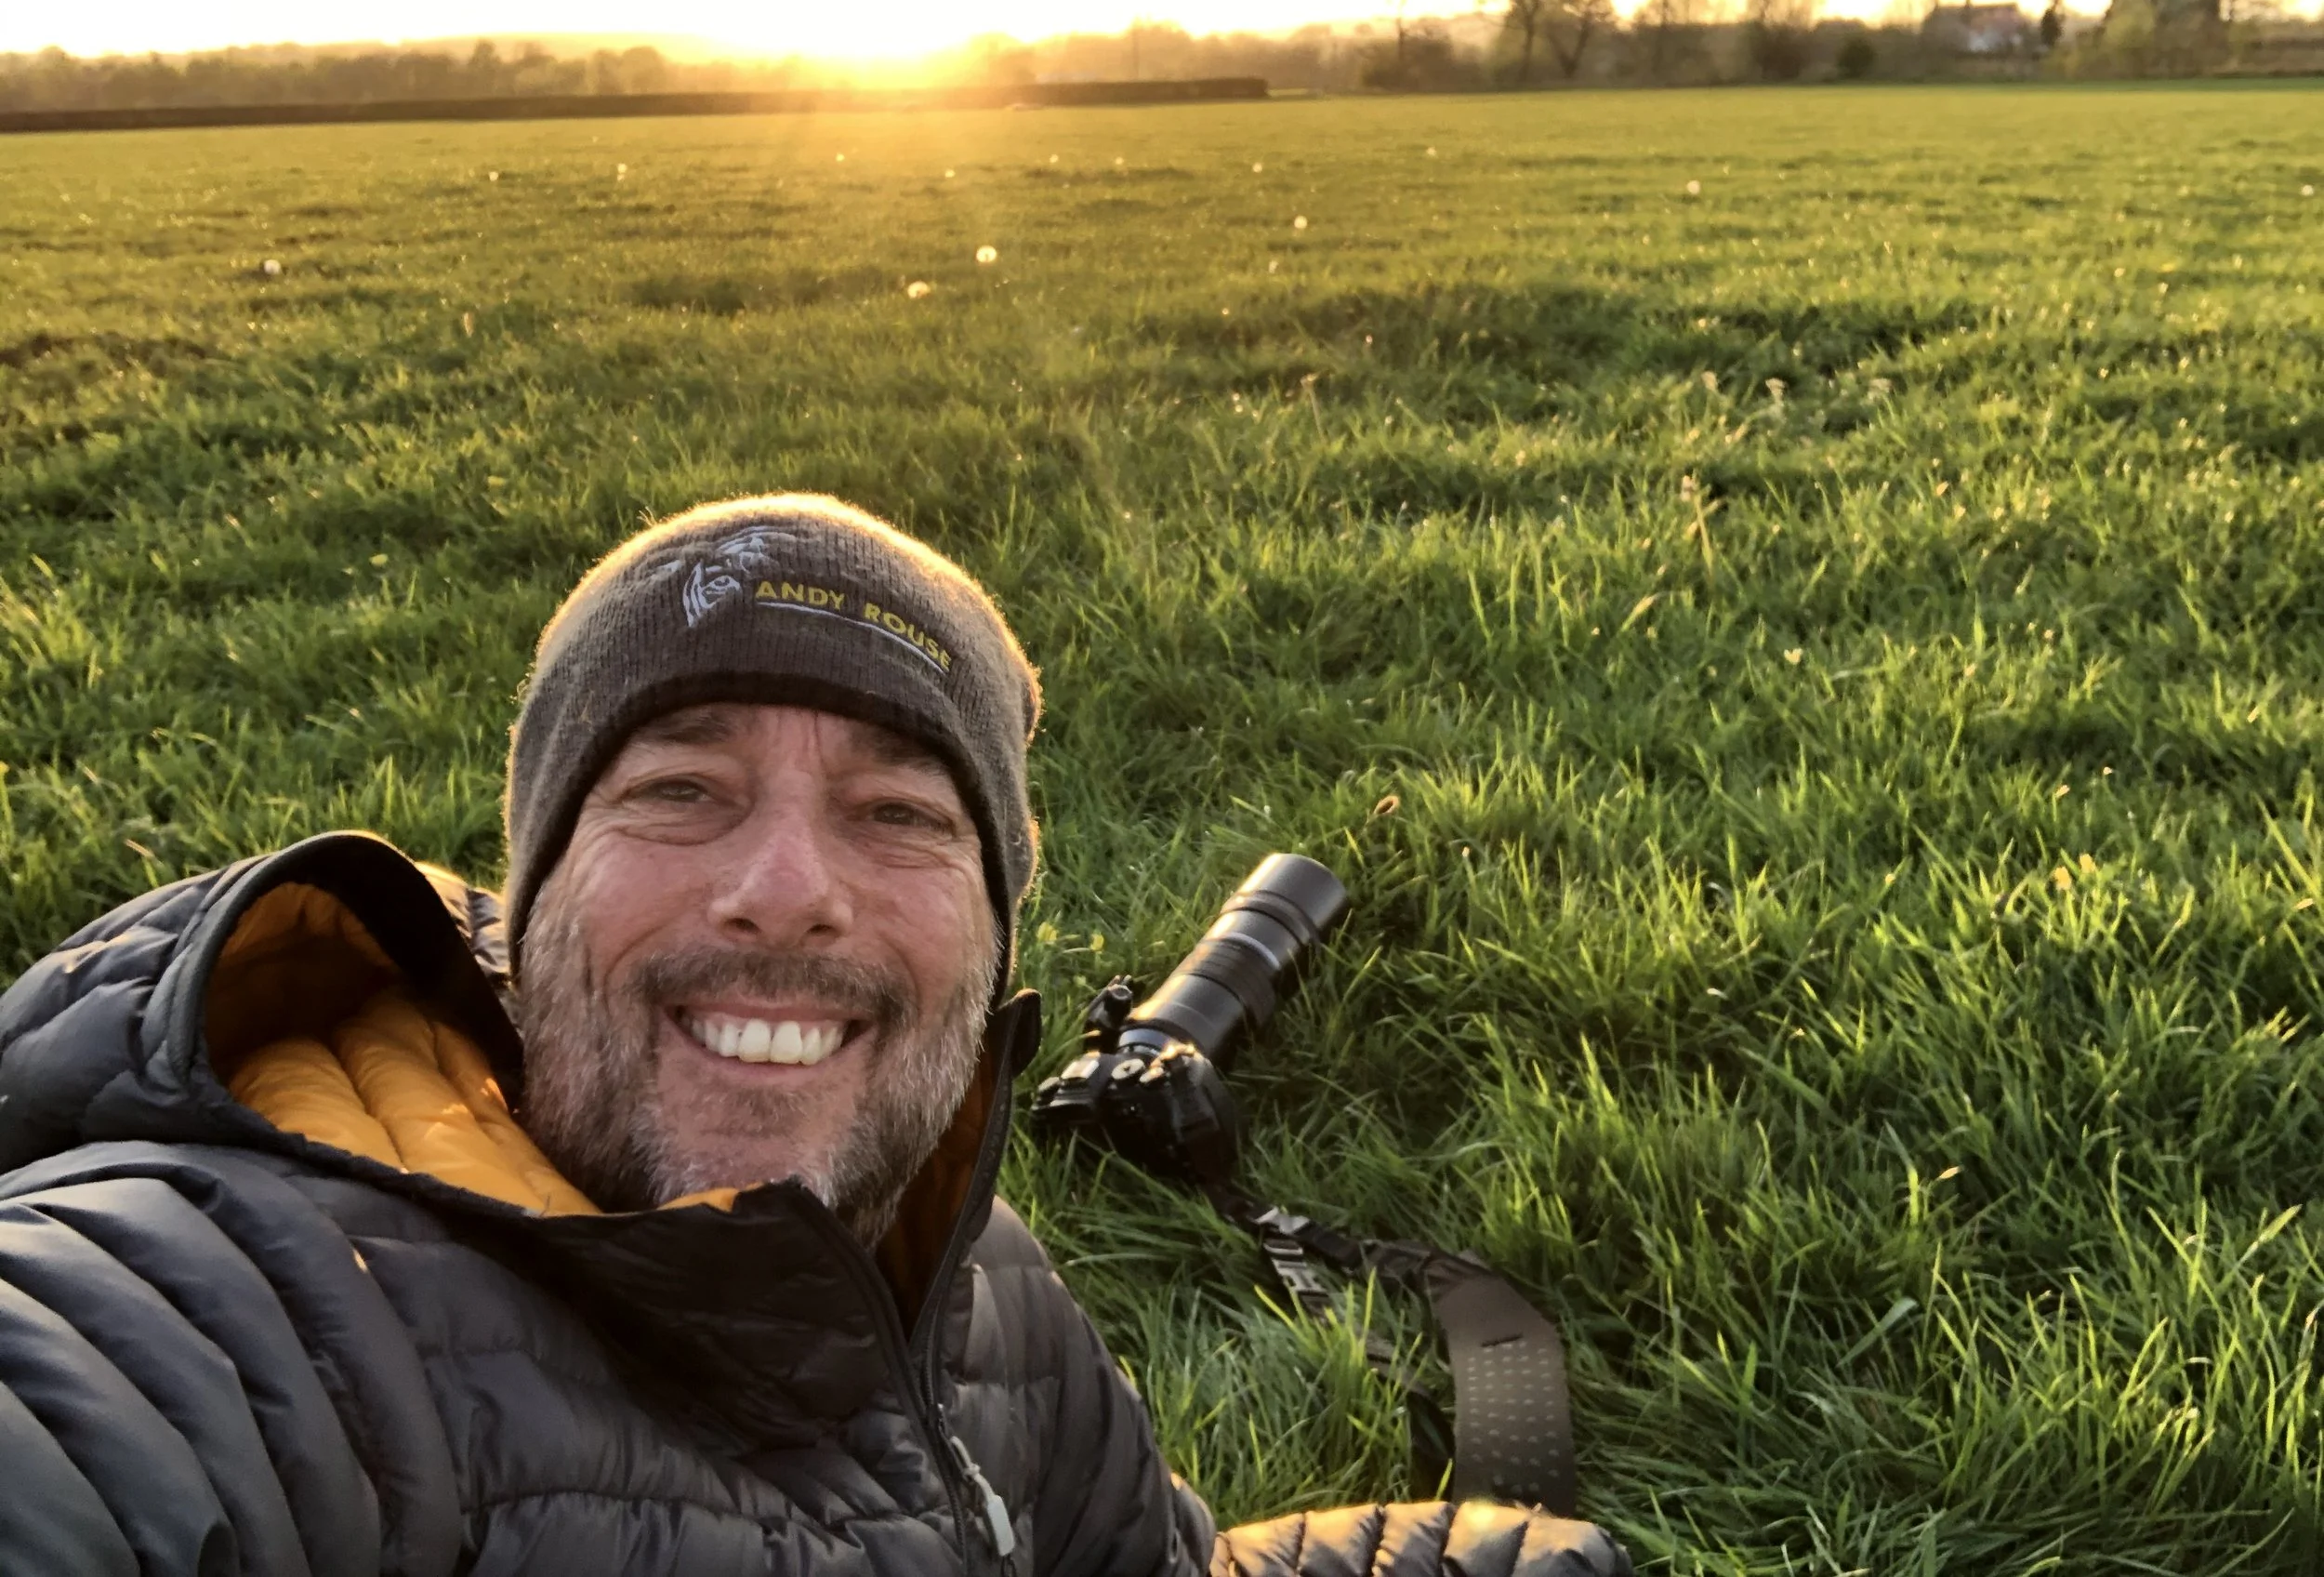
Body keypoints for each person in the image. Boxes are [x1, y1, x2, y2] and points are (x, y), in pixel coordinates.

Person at [0, 494, 1628, 1577]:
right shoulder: (242, 1310)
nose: (785, 891)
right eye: (680, 787)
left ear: (993, 943)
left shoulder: (978, 1288)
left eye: (898, 811)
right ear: (530, 905)